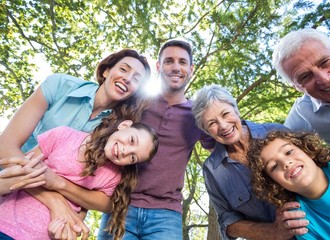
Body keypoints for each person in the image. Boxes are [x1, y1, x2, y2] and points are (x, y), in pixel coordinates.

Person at [0, 48, 151, 238]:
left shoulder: (112, 137)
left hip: (42, 220)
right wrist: (54, 200)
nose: (128, 78)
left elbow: (97, 192)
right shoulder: (60, 85)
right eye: (124, 69)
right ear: (106, 71)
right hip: (8, 180)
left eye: (136, 79)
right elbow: (5, 148)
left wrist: (70, 210)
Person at [98, 39, 215, 239]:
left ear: (191, 68)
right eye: (169, 61)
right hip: (120, 203)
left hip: (166, 213)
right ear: (159, 66)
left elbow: (224, 144)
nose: (176, 67)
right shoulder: (136, 101)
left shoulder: (198, 115)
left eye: (182, 62)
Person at [0, 119, 159, 240]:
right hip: (5, 224)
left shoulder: (113, 177)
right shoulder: (63, 136)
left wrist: (63, 235)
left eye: (132, 157)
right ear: (124, 125)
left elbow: (81, 213)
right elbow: (13, 175)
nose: (125, 151)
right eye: (132, 140)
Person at [191, 84, 309, 240]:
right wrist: (274, 231)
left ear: (236, 109)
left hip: (317, 228)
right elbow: (228, 222)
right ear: (206, 131)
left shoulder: (277, 132)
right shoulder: (212, 171)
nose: (223, 126)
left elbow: (319, 169)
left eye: (225, 114)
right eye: (212, 123)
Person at [249, 130, 330, 239]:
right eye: (274, 166)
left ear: (307, 150)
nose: (286, 163)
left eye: (288, 152)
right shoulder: (300, 221)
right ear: (275, 184)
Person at [272, 28, 330, 155]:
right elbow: (274, 150)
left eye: (325, 62)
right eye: (305, 76)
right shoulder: (303, 114)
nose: (324, 79)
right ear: (296, 87)